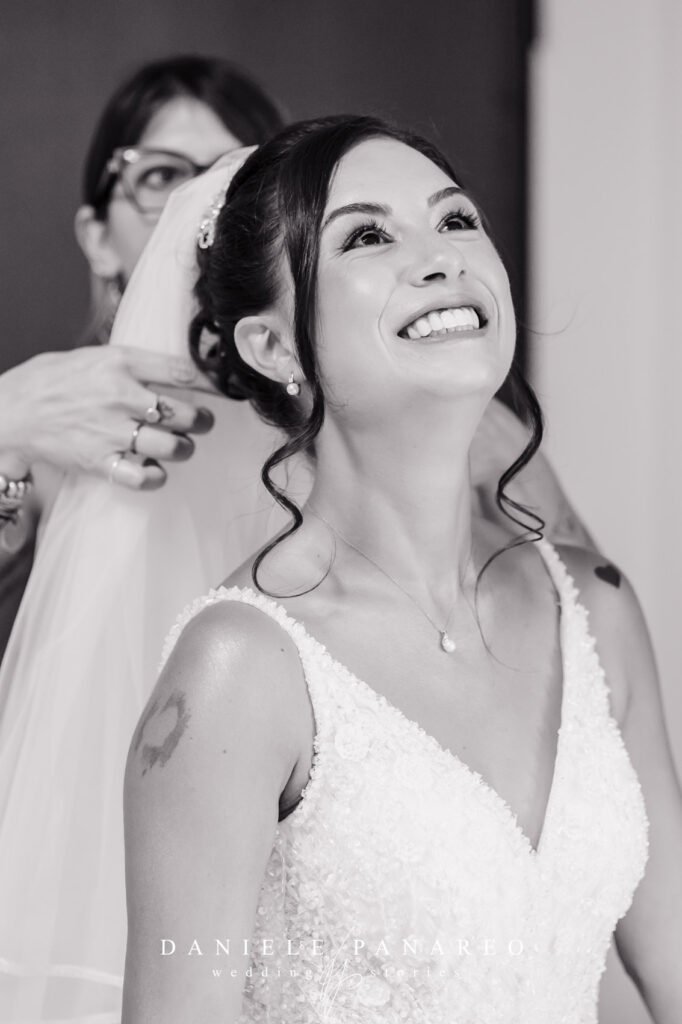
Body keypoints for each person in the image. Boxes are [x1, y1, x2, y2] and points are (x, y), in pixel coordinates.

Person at [123, 117, 682, 1023]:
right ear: (273, 347)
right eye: (367, 237)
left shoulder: (595, 609)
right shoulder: (242, 670)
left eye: (456, 220)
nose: (441, 257)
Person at [0, 53, 287, 656]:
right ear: (98, 239)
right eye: (161, 176)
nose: (203, 204)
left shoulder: (352, 414)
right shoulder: (53, 432)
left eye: (239, 176)